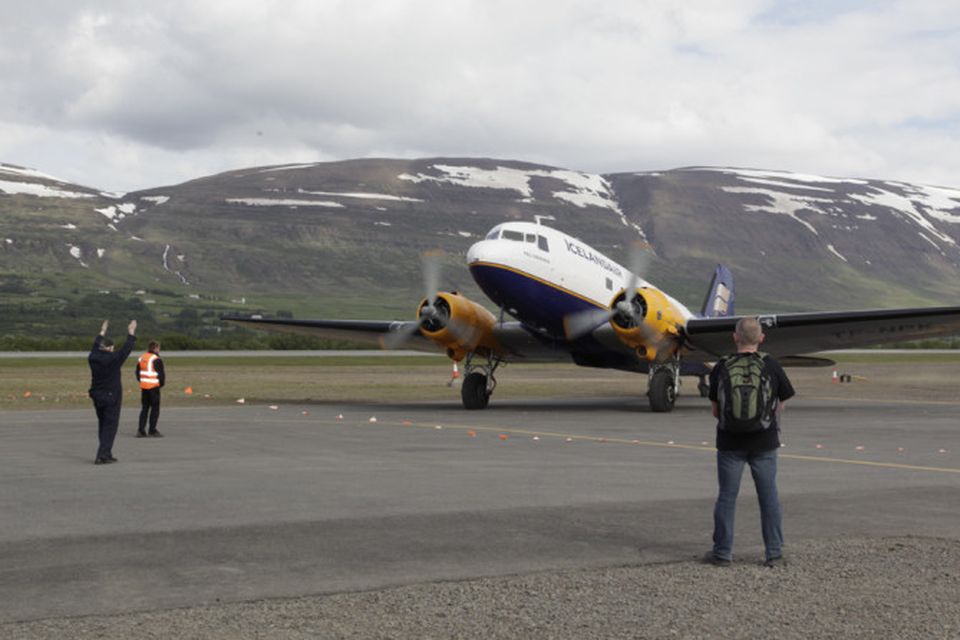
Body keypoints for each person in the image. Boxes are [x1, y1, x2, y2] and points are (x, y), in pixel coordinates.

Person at [706, 316, 795, 567]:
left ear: (735, 337)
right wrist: (766, 416)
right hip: (764, 443)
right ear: (761, 339)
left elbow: (715, 409)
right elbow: (783, 400)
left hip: (729, 443)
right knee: (769, 497)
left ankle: (722, 553)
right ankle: (774, 553)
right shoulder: (771, 364)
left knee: (726, 497)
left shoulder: (722, 366)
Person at [88, 319, 137, 465]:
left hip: (97, 395)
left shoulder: (93, 357)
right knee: (110, 426)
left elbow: (95, 346)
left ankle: (107, 452)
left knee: (103, 424)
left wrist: (102, 331)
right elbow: (126, 349)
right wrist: (131, 332)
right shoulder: (113, 359)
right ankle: (102, 455)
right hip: (111, 396)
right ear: (109, 348)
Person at [135, 340, 165, 437]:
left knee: (145, 408)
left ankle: (141, 430)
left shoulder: (142, 357)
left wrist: (142, 381)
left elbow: (137, 373)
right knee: (155, 409)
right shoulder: (156, 359)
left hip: (144, 387)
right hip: (153, 387)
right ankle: (152, 430)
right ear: (155, 348)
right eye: (158, 348)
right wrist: (160, 384)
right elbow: (161, 374)